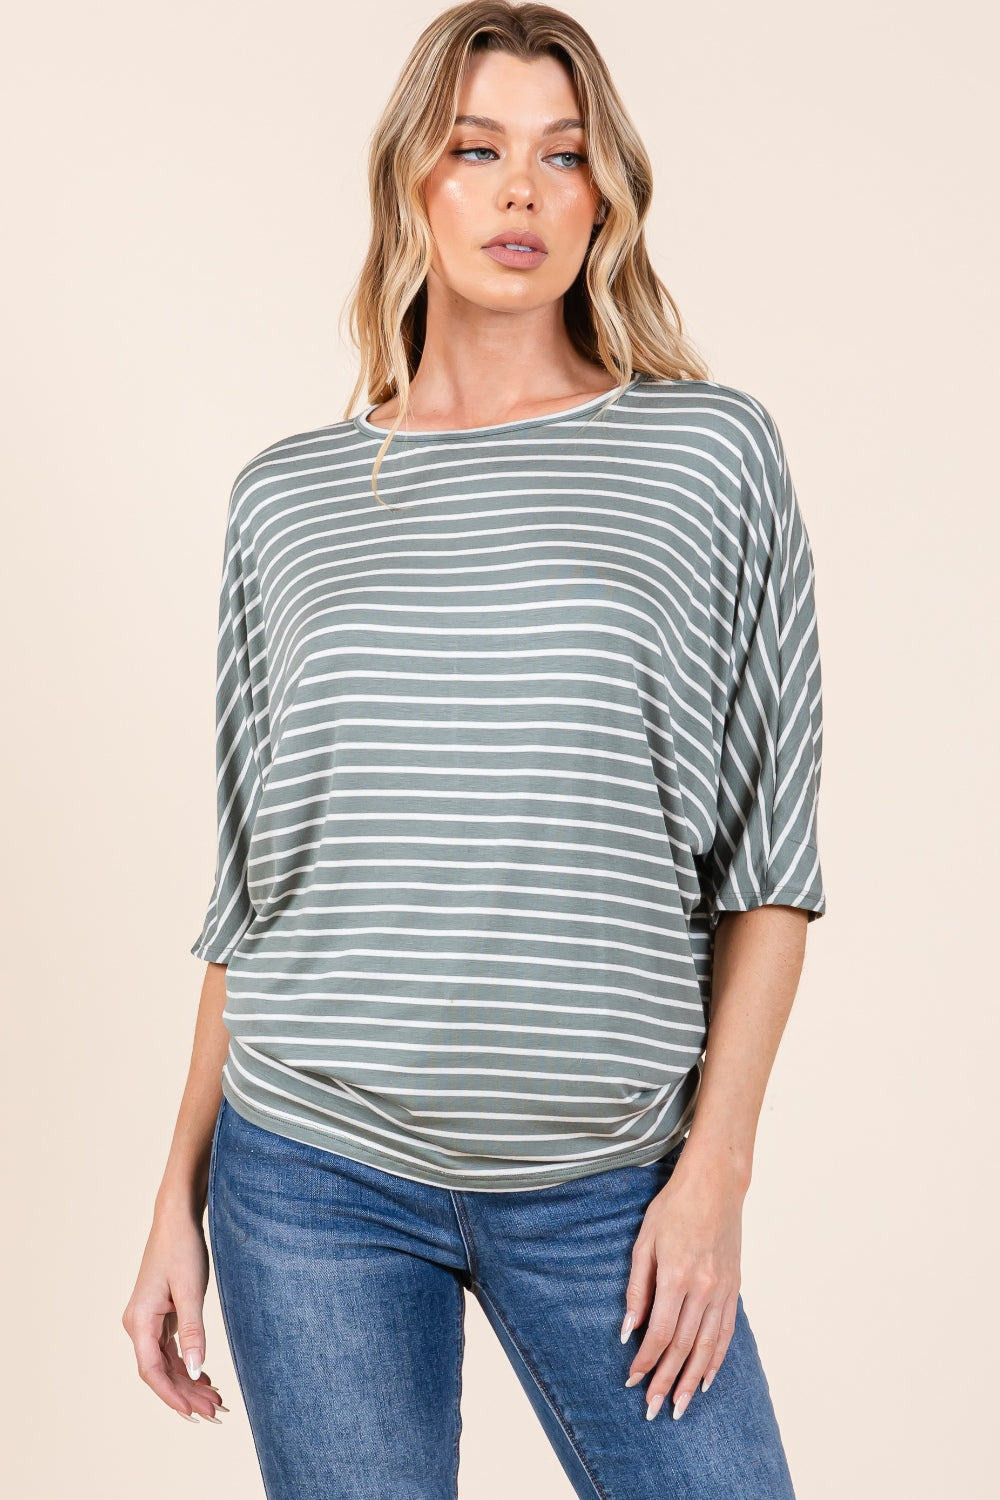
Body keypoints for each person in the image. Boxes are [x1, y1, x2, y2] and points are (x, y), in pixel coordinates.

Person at [122, 4, 828, 1496]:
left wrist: (716, 1173)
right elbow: (253, 889)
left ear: (604, 197)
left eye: (563, 156)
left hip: (608, 1181)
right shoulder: (287, 500)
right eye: (477, 148)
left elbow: (771, 859)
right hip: (309, 1175)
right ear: (411, 184)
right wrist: (175, 1196)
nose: (522, 190)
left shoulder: (708, 454)